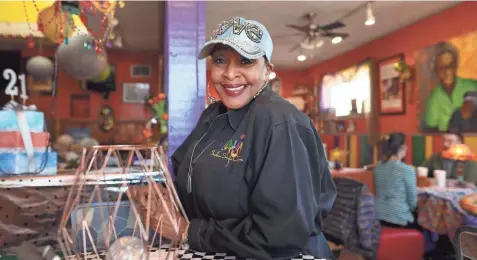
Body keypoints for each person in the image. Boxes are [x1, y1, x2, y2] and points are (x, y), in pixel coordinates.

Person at [171, 17, 337, 259]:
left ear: (267, 71)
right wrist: (160, 194)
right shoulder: (212, 114)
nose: (229, 74)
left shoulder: (281, 123)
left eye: (246, 61)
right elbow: (184, 172)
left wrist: (189, 231)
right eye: (220, 60)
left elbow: (279, 235)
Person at [424, 42, 477, 132]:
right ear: (435, 71)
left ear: (456, 66)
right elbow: (432, 131)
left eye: (451, 66)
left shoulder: (472, 86)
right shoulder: (433, 99)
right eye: (442, 68)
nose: (448, 72)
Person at [373, 133, 419, 229]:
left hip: (378, 215)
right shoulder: (407, 170)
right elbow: (412, 202)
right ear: (402, 147)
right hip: (399, 218)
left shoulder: (378, 167)